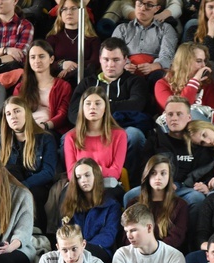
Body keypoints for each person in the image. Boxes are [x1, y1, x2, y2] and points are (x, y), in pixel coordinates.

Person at [67, 37, 148, 173]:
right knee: (66, 138)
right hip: (90, 129)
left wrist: (102, 107)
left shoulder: (135, 81)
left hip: (122, 127)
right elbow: (73, 112)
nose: (110, 65)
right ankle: (74, 178)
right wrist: (96, 122)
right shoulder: (88, 83)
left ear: (125, 60)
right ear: (100, 59)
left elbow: (136, 105)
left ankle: (130, 182)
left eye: (116, 60)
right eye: (106, 59)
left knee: (135, 136)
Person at [128, 100, 214, 221]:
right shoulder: (156, 139)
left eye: (179, 114)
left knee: (197, 198)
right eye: (170, 114)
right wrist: (158, 182)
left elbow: (208, 170)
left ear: (189, 117)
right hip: (158, 187)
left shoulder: (199, 141)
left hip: (187, 189)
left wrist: (204, 185)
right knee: (131, 195)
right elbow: (145, 168)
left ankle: (191, 239)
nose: (174, 118)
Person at [0, 96, 57, 231]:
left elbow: (48, 172)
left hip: (36, 186)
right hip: (7, 187)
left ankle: (36, 232)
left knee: (31, 192)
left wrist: (23, 185)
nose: (13, 116)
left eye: (17, 111)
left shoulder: (45, 138)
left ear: (26, 113)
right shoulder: (1, 142)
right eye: (8, 114)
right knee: (8, 170)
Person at [60, 157, 122, 263]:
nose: (83, 180)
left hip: (101, 251)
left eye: (87, 175)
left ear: (96, 176)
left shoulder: (112, 205)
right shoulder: (71, 204)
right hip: (73, 250)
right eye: (79, 177)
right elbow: (65, 233)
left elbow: (109, 235)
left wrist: (82, 248)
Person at [64, 86, 127, 189]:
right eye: (88, 104)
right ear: (82, 108)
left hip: (106, 184)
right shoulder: (71, 137)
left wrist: (89, 171)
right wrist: (96, 171)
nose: (92, 107)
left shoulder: (119, 134)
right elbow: (71, 174)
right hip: (80, 186)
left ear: (106, 108)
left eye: (98, 103)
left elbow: (115, 172)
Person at [122, 154, 188, 249]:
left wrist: (154, 251)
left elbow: (176, 238)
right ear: (147, 175)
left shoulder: (180, 205)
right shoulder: (133, 203)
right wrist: (144, 251)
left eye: (163, 173)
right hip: (138, 254)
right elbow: (126, 238)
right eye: (153, 173)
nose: (158, 177)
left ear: (169, 177)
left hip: (166, 254)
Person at [111, 0, 177, 85]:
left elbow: (167, 55)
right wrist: (125, 64)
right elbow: (114, 53)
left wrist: (155, 66)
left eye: (149, 5)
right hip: (127, 69)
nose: (142, 8)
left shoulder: (166, 29)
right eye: (140, 3)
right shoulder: (122, 29)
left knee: (160, 76)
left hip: (154, 71)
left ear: (157, 9)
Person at [14, 40, 72, 135]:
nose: (37, 61)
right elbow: (16, 111)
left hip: (49, 130)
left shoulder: (63, 86)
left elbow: (62, 115)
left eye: (41, 56)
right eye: (33, 57)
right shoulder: (20, 87)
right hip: (24, 130)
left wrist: (44, 126)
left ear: (51, 59)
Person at [153, 43, 214, 123]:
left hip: (202, 131)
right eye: (199, 61)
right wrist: (195, 81)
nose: (203, 66)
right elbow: (177, 110)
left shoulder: (207, 84)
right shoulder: (162, 84)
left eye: (204, 61)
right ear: (184, 63)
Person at [45, 0, 101, 84]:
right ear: (60, 13)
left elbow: (95, 63)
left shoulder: (93, 39)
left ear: (82, 12)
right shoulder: (52, 38)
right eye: (64, 9)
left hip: (84, 82)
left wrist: (71, 67)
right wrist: (62, 64)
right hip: (58, 83)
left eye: (73, 8)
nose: (69, 12)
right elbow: (45, 62)